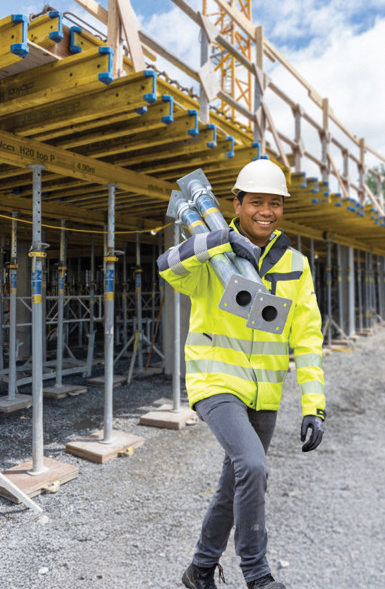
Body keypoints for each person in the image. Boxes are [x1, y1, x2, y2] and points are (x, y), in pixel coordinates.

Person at [157, 158, 326, 589]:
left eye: (275, 203)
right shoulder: (214, 259)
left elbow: (307, 340)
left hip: (265, 394)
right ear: (237, 203)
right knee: (252, 465)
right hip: (216, 383)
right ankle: (257, 574)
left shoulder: (296, 265)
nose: (265, 211)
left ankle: (198, 571)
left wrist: (314, 406)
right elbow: (167, 265)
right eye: (256, 202)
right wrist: (216, 241)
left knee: (235, 484)